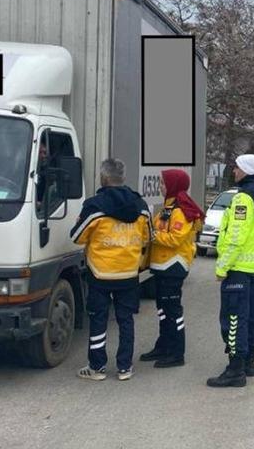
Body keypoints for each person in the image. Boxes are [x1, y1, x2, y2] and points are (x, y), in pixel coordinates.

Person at [70, 158, 151, 381]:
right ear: (123, 178)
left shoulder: (94, 205)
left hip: (100, 273)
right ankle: (125, 367)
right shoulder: (140, 206)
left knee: (98, 319)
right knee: (126, 320)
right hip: (129, 273)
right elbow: (148, 237)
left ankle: (97, 368)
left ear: (103, 178)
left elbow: (77, 237)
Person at [207, 154, 254, 388]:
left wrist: (222, 267)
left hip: (238, 268)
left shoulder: (244, 197)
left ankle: (235, 370)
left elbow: (236, 236)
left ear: (246, 169)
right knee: (252, 316)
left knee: (234, 319)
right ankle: (249, 362)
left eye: (236, 167)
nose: (233, 171)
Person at [140, 169, 204, 368]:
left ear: (173, 185)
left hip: (173, 267)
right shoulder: (168, 208)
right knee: (162, 310)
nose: (160, 186)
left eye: (163, 182)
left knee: (172, 311)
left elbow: (175, 238)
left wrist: (151, 235)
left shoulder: (180, 210)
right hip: (162, 266)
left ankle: (177, 353)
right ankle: (163, 345)